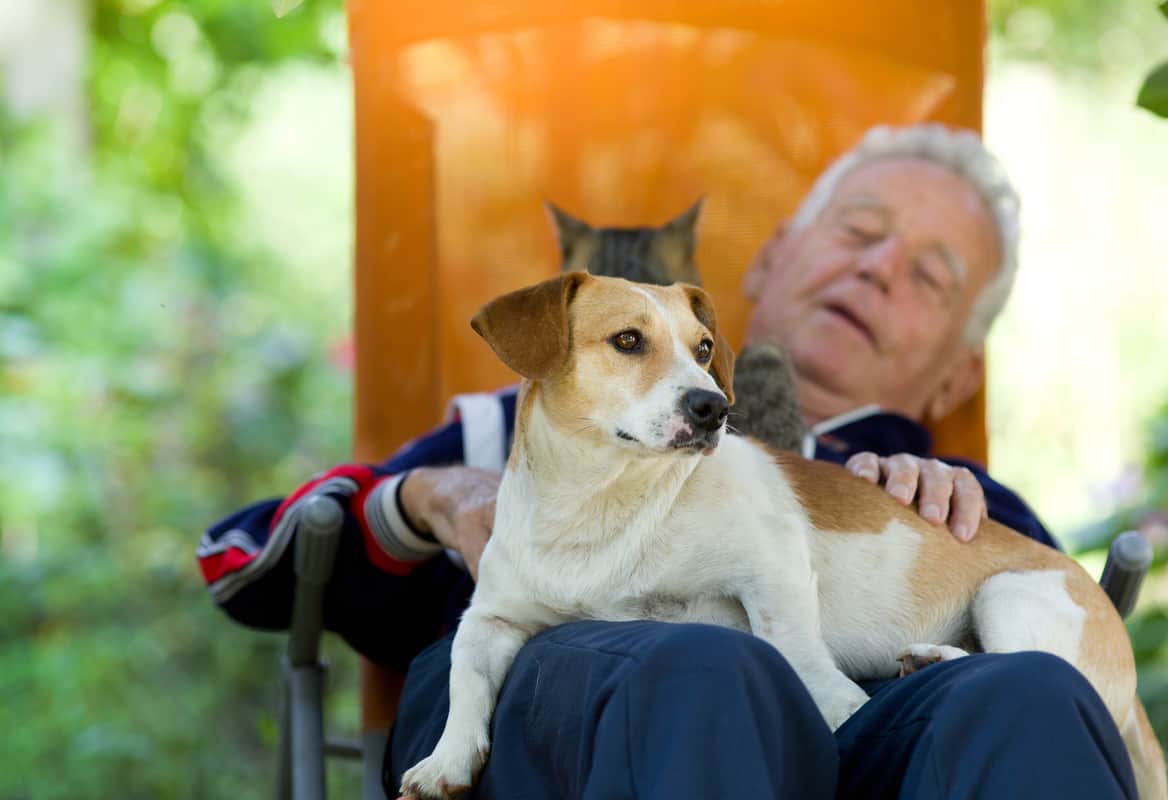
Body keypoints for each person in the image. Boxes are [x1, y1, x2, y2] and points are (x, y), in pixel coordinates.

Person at [198, 124, 1136, 799]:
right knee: (706, 670)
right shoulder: (516, 423)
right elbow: (243, 561)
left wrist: (947, 529)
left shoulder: (971, 512)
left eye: (929, 275)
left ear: (957, 374)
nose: (880, 268)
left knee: (1028, 695)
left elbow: (1081, 694)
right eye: (858, 231)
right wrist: (425, 497)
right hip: (554, 729)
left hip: (870, 745)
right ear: (768, 260)